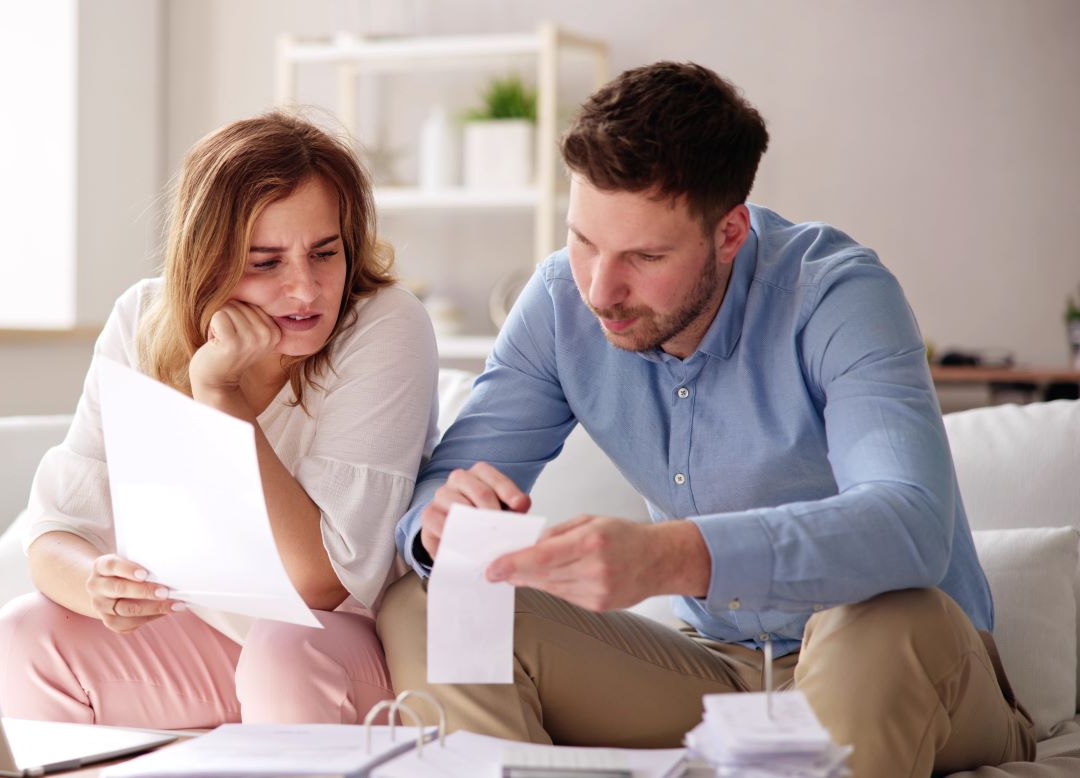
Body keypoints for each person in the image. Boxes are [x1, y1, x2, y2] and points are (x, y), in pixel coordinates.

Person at [376, 62, 1035, 777]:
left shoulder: (838, 295)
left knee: (882, 618)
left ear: (729, 233)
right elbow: (442, 488)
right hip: (716, 676)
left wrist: (671, 556)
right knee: (429, 602)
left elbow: (909, 526)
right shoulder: (561, 302)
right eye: (585, 240)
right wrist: (440, 523)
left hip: (911, 668)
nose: (601, 289)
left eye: (646, 256)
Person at [0, 112, 438, 729]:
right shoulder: (144, 315)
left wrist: (221, 394)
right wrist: (96, 582)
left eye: (324, 252)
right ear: (208, 261)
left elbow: (321, 583)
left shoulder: (386, 325)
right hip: (214, 641)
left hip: (348, 646)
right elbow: (57, 529)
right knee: (21, 634)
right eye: (266, 262)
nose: (305, 290)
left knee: (282, 650)